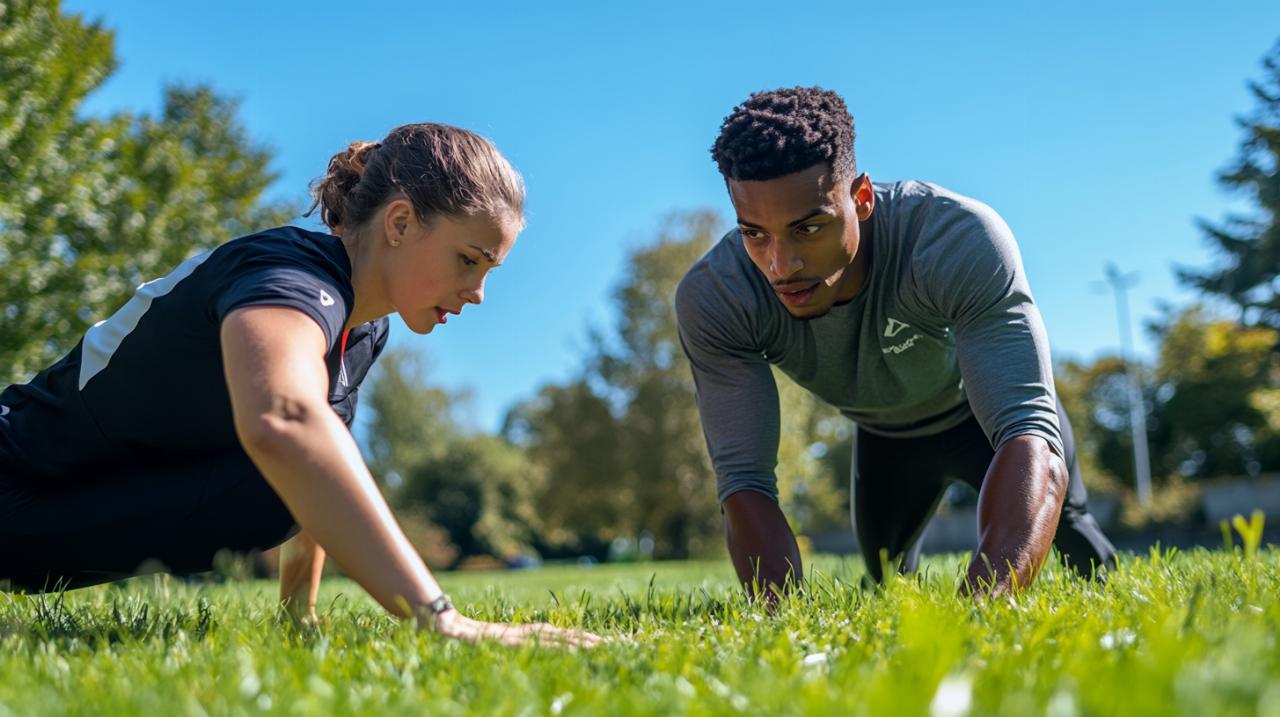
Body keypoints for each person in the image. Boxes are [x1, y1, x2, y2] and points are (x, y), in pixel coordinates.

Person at [0, 122, 600, 647]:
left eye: (489, 270)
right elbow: (285, 424)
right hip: (13, 483)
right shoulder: (287, 275)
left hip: (41, 512)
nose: (477, 294)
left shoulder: (362, 330)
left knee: (296, 470)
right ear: (399, 222)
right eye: (468, 260)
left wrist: (297, 615)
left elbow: (315, 462)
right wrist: (442, 620)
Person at [675, 87, 1117, 598]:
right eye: (755, 234)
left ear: (860, 199)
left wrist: (982, 608)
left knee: (1080, 551)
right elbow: (744, 479)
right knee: (885, 578)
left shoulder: (954, 239)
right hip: (885, 437)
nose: (781, 265)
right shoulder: (719, 297)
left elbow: (1029, 428)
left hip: (981, 413)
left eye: (809, 228)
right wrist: (782, 626)